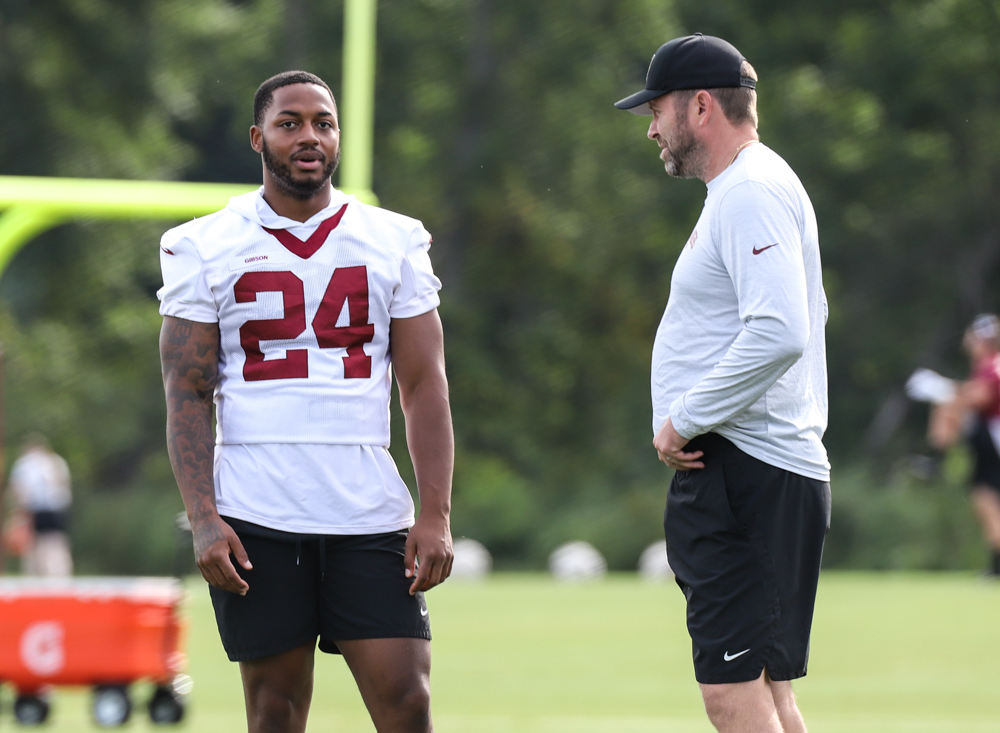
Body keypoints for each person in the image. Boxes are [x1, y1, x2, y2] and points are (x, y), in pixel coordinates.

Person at [157, 70, 454, 733]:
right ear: (259, 137)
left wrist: (434, 512)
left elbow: (424, 383)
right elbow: (187, 391)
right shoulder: (203, 243)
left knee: (409, 701)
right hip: (257, 512)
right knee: (275, 710)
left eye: (324, 121)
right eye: (290, 123)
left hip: (366, 507)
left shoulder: (392, 238)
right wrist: (203, 517)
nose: (310, 136)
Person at [615, 34, 831, 733]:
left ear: (700, 105)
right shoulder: (749, 186)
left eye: (657, 110)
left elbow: (780, 330)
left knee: (731, 693)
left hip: (744, 469)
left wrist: (684, 416)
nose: (651, 127)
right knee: (767, 691)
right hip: (757, 468)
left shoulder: (749, 191)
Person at [906, 313, 1000, 577]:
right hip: (988, 437)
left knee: (946, 404)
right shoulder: (987, 365)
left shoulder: (991, 364)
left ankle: (936, 460)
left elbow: (981, 397)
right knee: (986, 499)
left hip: (993, 435)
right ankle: (996, 566)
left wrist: (943, 388)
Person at [7, 433, 74, 577]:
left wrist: (16, 515)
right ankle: (58, 578)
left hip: (33, 510)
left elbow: (19, 490)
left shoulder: (25, 464)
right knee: (54, 545)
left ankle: (35, 579)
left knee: (33, 550)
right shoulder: (57, 462)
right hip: (56, 510)